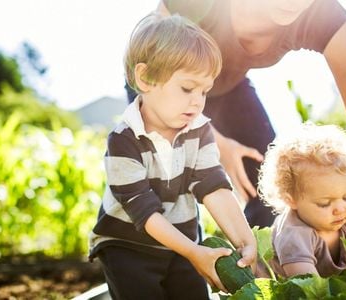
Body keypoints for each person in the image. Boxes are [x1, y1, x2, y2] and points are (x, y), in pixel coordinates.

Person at [143, 0, 346, 229]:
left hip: (228, 89)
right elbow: (149, 70)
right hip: (157, 86)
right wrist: (214, 142)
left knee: (268, 189)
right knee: (164, 197)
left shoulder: (323, 14)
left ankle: (260, 273)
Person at [89, 13, 256, 299]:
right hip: (127, 247)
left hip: (184, 239)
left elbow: (213, 187)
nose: (198, 100)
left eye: (204, 91)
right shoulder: (123, 141)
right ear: (145, 78)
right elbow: (144, 212)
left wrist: (245, 239)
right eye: (187, 88)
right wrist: (194, 252)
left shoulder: (199, 131)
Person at [258, 123, 346, 278]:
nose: (341, 208)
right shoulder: (293, 235)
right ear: (291, 201)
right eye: (324, 203)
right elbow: (309, 288)